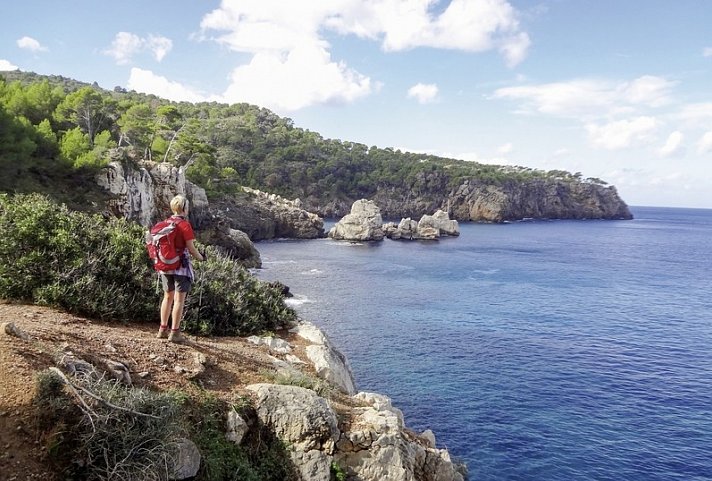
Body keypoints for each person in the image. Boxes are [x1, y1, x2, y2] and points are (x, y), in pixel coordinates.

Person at [156, 194, 205, 343]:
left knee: (167, 297)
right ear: (184, 208)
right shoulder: (184, 225)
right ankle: (175, 333)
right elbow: (191, 248)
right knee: (179, 300)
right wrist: (201, 258)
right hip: (180, 267)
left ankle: (162, 329)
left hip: (165, 265)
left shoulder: (165, 223)